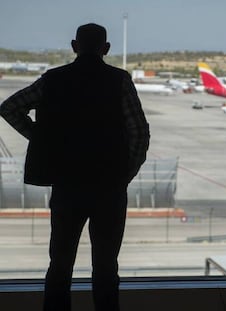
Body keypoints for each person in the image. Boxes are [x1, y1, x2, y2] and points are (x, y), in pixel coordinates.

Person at [0, 23, 150, 311]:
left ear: (74, 46)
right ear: (106, 49)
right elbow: (139, 133)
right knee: (106, 267)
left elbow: (9, 107)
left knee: (60, 265)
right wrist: (126, 173)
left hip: (67, 185)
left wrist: (42, 138)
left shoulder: (53, 80)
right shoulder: (119, 80)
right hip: (109, 186)